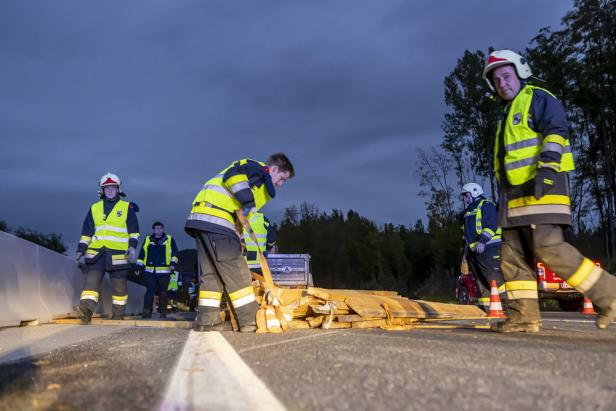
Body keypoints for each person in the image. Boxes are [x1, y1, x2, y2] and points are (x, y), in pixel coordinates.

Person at [483, 49, 616, 332]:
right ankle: (524, 317)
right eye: (497, 81)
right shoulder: (507, 114)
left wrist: (547, 169)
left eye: (506, 76)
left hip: (542, 190)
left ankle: (611, 295)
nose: (503, 83)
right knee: (511, 256)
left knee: (548, 248)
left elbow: (556, 132)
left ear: (520, 73)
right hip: (514, 199)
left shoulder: (538, 99)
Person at [185, 153, 295, 332]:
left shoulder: (258, 180)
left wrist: (240, 237)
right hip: (218, 219)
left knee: (212, 275)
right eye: (282, 178)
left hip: (203, 219)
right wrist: (247, 199)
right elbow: (233, 175)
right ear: (274, 169)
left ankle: (208, 320)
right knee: (239, 273)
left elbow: (241, 218)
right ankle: (250, 320)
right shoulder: (258, 170)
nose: (280, 184)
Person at [74, 173, 140, 323]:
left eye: (113, 187)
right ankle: (85, 312)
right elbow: (87, 232)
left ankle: (118, 314)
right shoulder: (94, 208)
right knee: (91, 284)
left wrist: (132, 247)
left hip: (118, 255)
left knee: (119, 288)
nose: (110, 190)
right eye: (106, 188)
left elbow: (134, 232)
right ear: (102, 190)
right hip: (97, 254)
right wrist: (80, 249)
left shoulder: (126, 207)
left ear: (118, 189)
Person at [460, 182, 506, 311]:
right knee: (480, 279)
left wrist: (483, 241)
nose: (465, 198)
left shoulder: (486, 206)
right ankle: (487, 308)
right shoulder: (468, 212)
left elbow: (491, 225)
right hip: (474, 251)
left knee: (492, 276)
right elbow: (466, 233)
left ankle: (507, 302)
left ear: (474, 193)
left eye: (466, 195)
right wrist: (465, 253)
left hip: (489, 247)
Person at [136, 221, 179, 319]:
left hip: (165, 271)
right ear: (153, 229)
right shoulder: (148, 239)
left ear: (163, 229)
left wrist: (172, 264)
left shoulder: (169, 239)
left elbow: (175, 253)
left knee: (163, 292)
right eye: (156, 228)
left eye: (160, 228)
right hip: (150, 271)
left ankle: (163, 311)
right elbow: (142, 253)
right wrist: (138, 266)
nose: (158, 230)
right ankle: (146, 311)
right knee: (149, 291)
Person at [243, 211, 277, 275]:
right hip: (259, 264)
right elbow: (272, 240)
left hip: (240, 264)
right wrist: (266, 248)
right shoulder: (262, 218)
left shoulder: (237, 218)